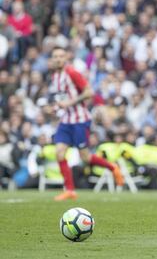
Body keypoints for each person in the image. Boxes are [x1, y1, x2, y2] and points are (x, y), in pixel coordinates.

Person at [49, 47, 124, 201]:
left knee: (85, 157)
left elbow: (89, 92)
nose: (58, 59)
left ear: (66, 58)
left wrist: (69, 102)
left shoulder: (72, 73)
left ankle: (113, 167)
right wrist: (56, 107)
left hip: (80, 120)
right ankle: (70, 190)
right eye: (55, 56)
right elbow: (62, 98)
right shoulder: (55, 76)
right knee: (59, 152)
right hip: (65, 120)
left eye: (61, 56)